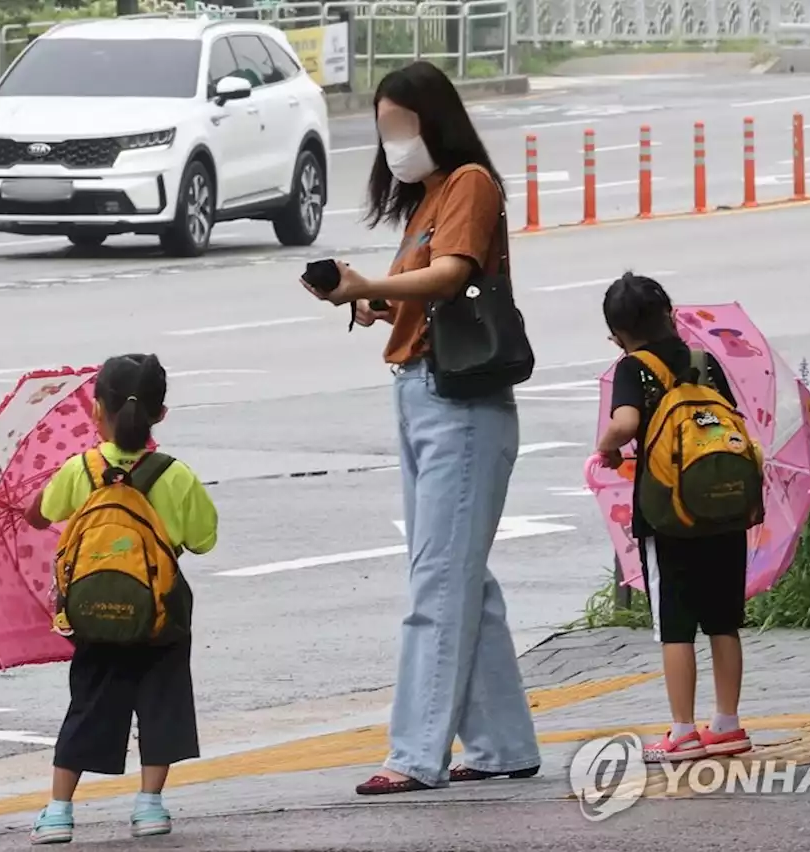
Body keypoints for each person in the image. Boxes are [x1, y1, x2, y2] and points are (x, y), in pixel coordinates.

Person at [300, 60, 540, 795]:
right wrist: (372, 302)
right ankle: (502, 743)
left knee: (438, 582)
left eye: (400, 125)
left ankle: (413, 754)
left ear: (434, 120)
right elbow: (427, 291)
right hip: (421, 395)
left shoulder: (469, 181)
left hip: (459, 407)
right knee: (461, 579)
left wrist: (373, 283)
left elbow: (452, 273)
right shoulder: (428, 196)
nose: (392, 140)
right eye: (383, 129)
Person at [23, 354, 218, 844]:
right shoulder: (175, 475)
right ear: (161, 414)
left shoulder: (80, 469)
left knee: (88, 703)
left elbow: (40, 516)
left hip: (93, 613)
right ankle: (149, 805)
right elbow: (203, 539)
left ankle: (58, 811)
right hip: (160, 614)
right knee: (162, 701)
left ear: (96, 411)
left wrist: (37, 506)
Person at [594, 273, 753, 763]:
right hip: (724, 503)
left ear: (617, 332)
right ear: (669, 312)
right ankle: (727, 723)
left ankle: (682, 730)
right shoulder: (704, 360)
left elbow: (625, 424)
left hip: (668, 512)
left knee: (675, 625)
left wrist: (605, 450)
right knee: (724, 620)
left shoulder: (632, 366)